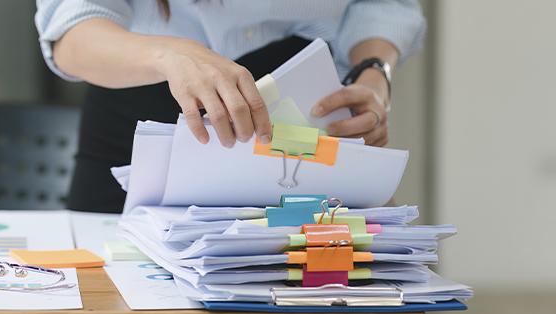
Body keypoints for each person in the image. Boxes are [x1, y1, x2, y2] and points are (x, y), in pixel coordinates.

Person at [35, 0, 426, 213]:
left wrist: (375, 73)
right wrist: (170, 55)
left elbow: (384, 5)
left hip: (303, 111)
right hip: (145, 93)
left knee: (323, 282)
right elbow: (71, 28)